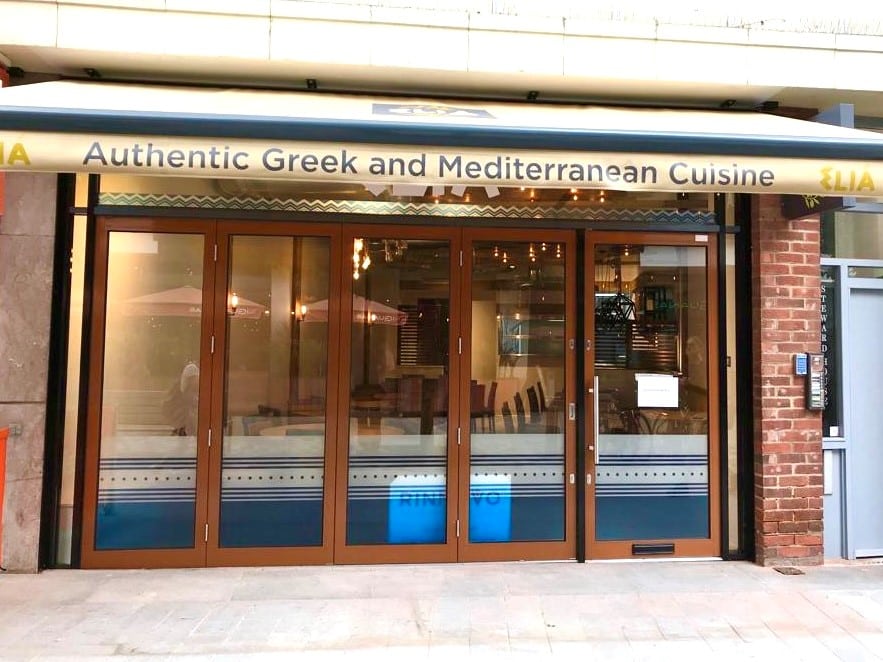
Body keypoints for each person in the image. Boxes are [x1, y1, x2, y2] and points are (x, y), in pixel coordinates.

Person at [162, 362, 199, 436]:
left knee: (191, 416)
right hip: (177, 416)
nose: (196, 380)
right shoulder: (180, 389)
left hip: (185, 418)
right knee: (189, 416)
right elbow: (188, 400)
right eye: (194, 378)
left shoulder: (193, 387)